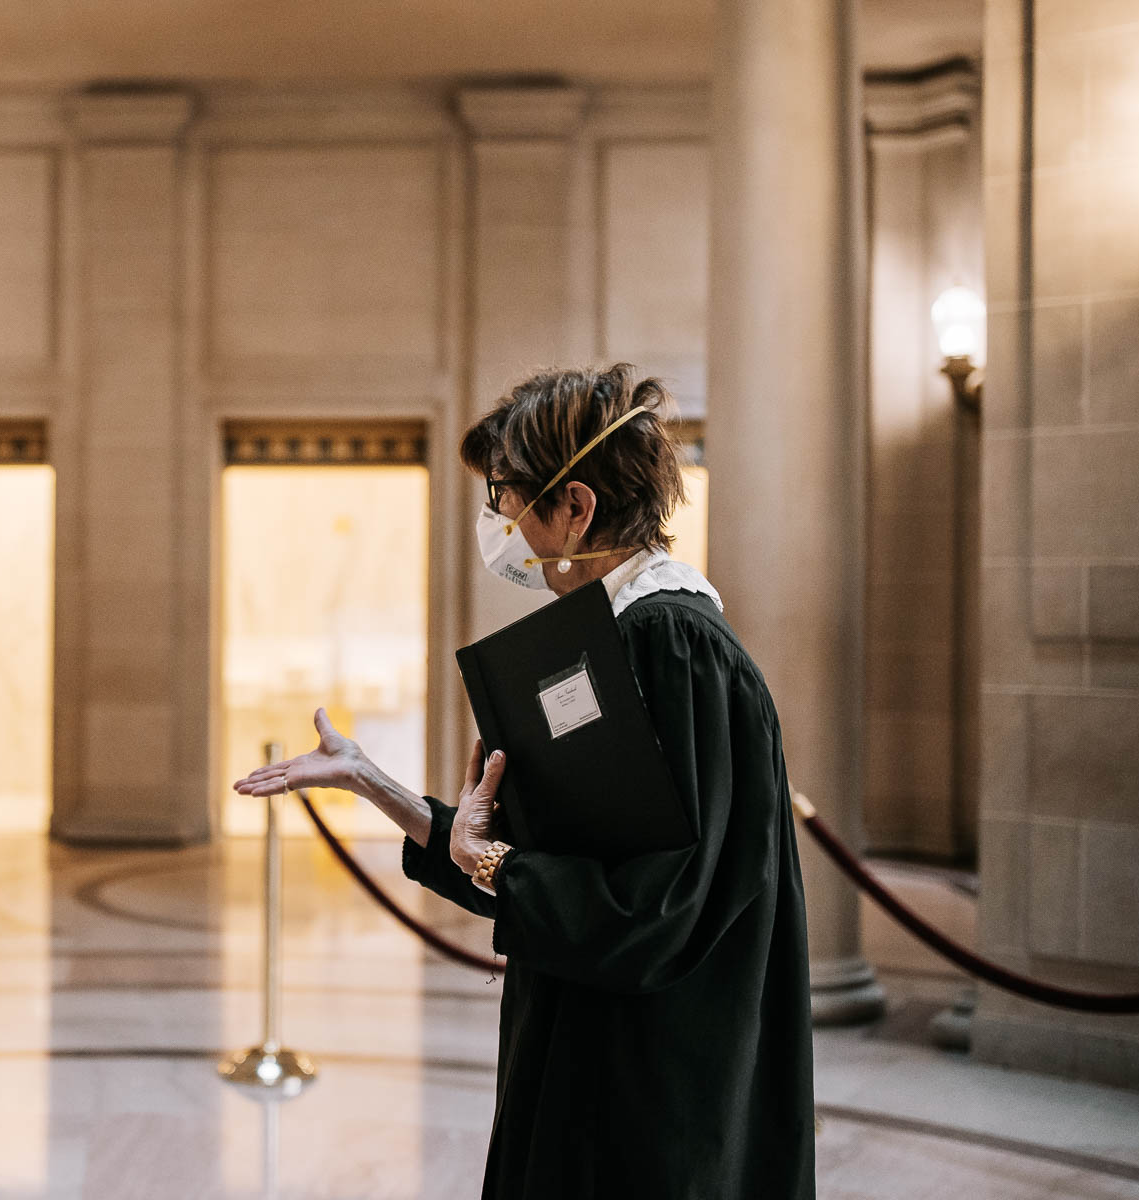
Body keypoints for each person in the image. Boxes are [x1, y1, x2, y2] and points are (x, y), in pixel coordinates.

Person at [236, 365, 815, 1199]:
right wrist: (374, 784)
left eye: (505, 492)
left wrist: (498, 865)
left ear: (575, 506)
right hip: (593, 1044)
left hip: (648, 1082)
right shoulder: (620, 634)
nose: (497, 517)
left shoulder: (673, 647)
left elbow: (657, 907)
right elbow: (547, 865)